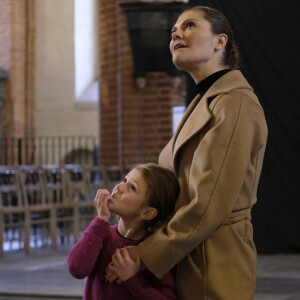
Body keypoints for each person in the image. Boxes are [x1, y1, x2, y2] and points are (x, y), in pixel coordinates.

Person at [105, 5, 268, 300]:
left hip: (214, 262)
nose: (177, 33)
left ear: (221, 41)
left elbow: (209, 203)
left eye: (190, 25)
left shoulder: (234, 104)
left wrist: (144, 254)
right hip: (186, 254)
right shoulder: (203, 101)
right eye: (174, 31)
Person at [67, 163, 179, 300]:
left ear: (147, 212)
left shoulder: (153, 250)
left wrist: (132, 279)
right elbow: (76, 268)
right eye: (124, 180)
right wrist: (101, 220)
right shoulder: (101, 234)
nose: (119, 187)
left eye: (132, 187)